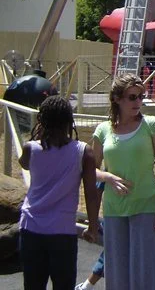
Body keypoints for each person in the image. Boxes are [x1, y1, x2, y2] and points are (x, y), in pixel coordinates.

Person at [93, 73, 155, 290]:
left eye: (141, 97)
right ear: (117, 99)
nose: (138, 102)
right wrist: (107, 177)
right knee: (117, 272)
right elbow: (90, 169)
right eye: (132, 97)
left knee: (145, 273)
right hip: (114, 209)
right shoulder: (102, 130)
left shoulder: (152, 125)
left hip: (146, 206)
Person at [18, 94, 100, 290]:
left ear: (42, 120)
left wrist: (39, 135)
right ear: (69, 121)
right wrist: (93, 225)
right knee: (64, 285)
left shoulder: (30, 148)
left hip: (31, 228)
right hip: (62, 231)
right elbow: (90, 192)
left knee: (33, 285)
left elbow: (24, 164)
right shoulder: (84, 152)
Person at [75, 182, 105, 290]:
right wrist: (93, 222)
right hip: (116, 213)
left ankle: (87, 286)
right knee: (114, 250)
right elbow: (99, 185)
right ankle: (87, 286)